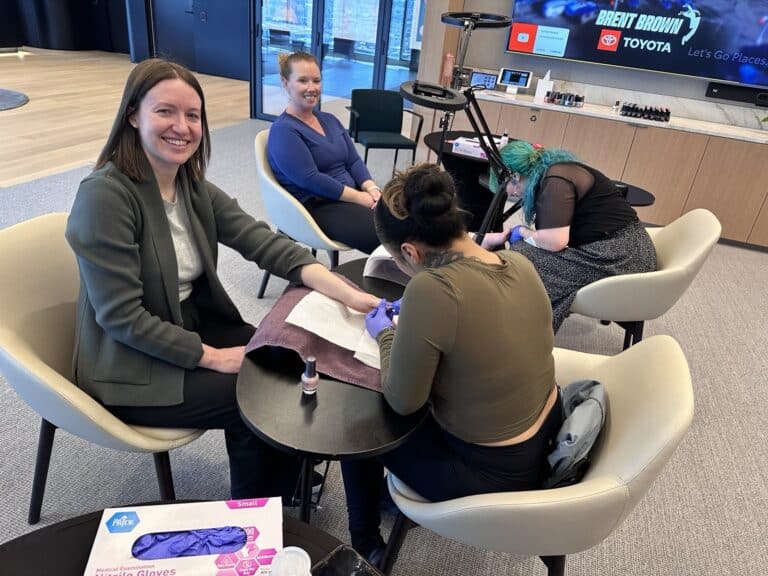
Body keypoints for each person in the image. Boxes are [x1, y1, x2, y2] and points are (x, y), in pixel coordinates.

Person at [65, 58, 380, 501]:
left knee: (287, 355)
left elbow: (261, 241)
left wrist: (344, 291)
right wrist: (212, 357)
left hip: (186, 319)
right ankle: (255, 512)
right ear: (133, 115)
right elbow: (122, 319)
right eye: (165, 112)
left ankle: (284, 479)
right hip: (128, 361)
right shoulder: (105, 196)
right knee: (248, 394)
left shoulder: (190, 184)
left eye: (193, 115)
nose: (183, 127)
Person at [340, 163, 563, 560]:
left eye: (399, 262)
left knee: (358, 430)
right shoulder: (520, 264)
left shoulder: (432, 288)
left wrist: (386, 334)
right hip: (545, 431)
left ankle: (366, 547)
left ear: (410, 251)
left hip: (494, 472)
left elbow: (403, 401)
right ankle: (390, 499)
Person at [487, 141, 657, 332]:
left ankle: (521, 327)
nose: (513, 195)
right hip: (627, 248)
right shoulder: (557, 170)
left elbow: (555, 242)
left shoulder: (555, 181)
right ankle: (526, 321)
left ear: (515, 177)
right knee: (523, 253)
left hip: (623, 258)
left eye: (509, 190)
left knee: (519, 259)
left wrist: (523, 231)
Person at [267, 51, 381, 254]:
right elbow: (311, 179)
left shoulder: (329, 119)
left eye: (316, 80)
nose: (312, 88)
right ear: (285, 83)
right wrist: (359, 197)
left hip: (350, 195)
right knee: (388, 236)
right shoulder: (284, 131)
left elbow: (353, 160)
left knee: (410, 217)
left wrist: (371, 188)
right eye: (302, 80)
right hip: (317, 206)